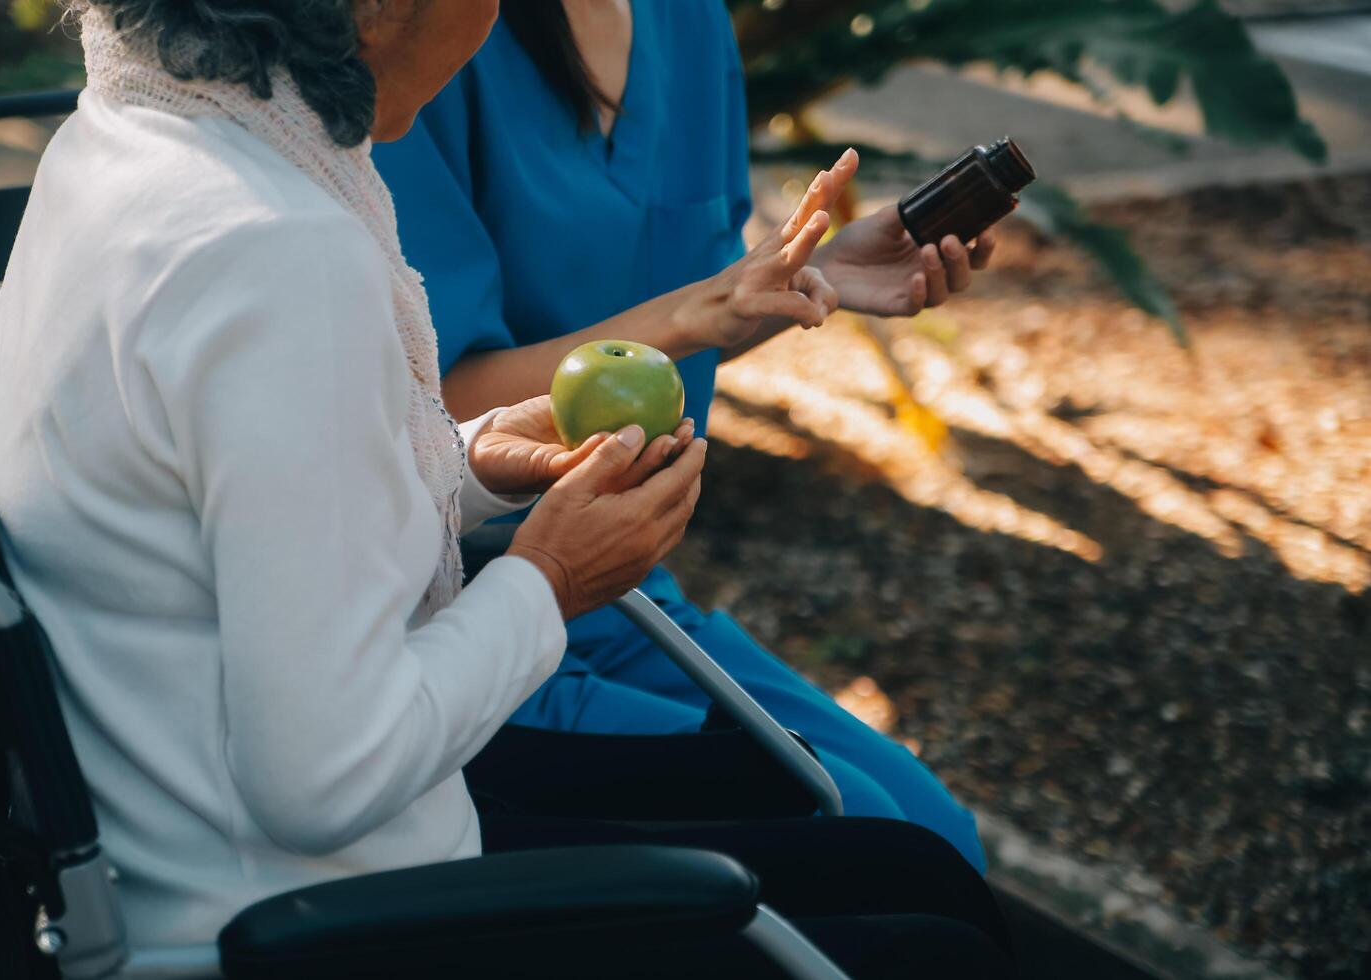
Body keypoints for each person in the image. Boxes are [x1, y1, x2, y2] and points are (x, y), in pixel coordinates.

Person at [0, 1, 1013, 974]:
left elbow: (233, 502)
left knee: (914, 863)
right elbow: (322, 776)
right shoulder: (278, 245)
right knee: (931, 937)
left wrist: (460, 464)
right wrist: (548, 576)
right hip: (330, 922)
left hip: (187, 869)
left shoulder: (126, 141)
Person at [373, 0, 997, 872]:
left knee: (937, 836)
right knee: (867, 846)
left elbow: (672, 337)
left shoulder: (686, 21)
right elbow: (437, 407)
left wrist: (818, 275)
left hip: (630, 594)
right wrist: (702, 308)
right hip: (471, 601)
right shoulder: (425, 35)